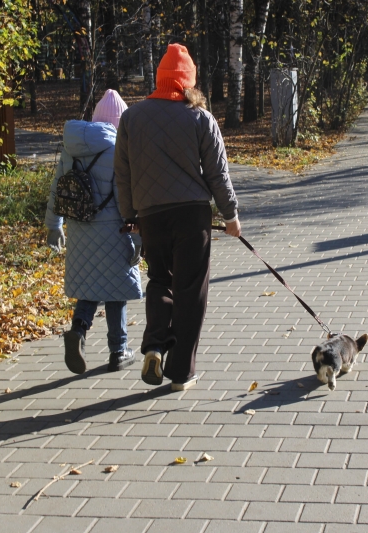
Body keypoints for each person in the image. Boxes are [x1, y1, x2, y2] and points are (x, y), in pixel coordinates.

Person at [114, 43, 240, 392]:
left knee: (159, 280)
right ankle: (181, 371)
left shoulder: (131, 117)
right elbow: (218, 173)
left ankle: (154, 344)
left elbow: (121, 174)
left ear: (160, 78)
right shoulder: (201, 118)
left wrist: (129, 215)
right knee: (190, 290)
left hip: (151, 215)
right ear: (189, 81)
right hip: (191, 216)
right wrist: (230, 215)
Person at [45, 89, 143, 375]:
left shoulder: (70, 148)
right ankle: (119, 350)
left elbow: (56, 190)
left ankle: (79, 330)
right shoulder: (118, 151)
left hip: (79, 230)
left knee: (90, 284)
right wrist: (137, 238)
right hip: (114, 232)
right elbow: (127, 200)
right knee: (116, 292)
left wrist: (54, 225)